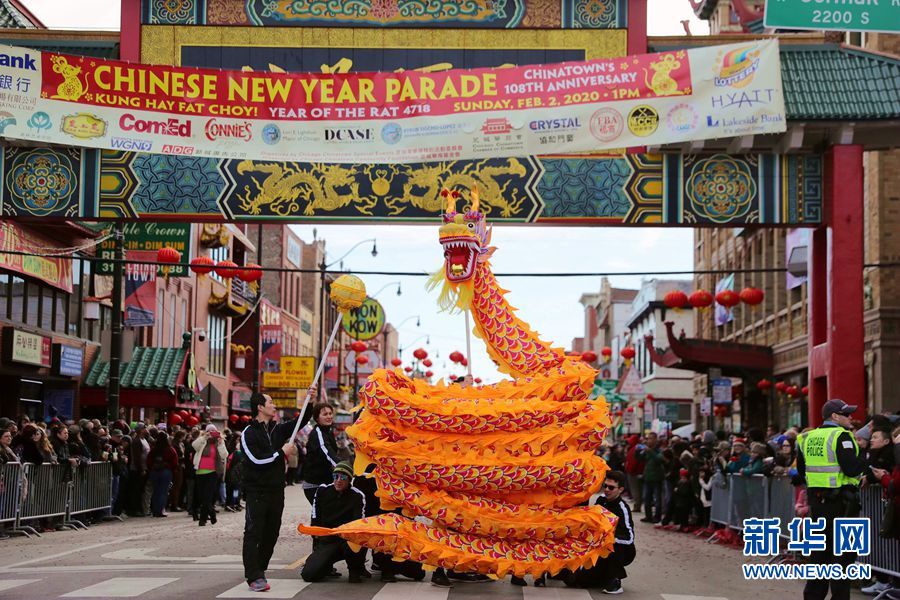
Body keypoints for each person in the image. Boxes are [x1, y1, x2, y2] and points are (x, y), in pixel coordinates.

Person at [796, 399, 868, 600]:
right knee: (843, 559)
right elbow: (852, 468)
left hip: (817, 505)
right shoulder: (841, 436)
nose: (851, 418)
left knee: (818, 556)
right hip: (842, 505)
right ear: (835, 417)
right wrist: (865, 452)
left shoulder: (806, 438)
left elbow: (802, 472)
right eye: (847, 414)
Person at [241, 392, 311, 592]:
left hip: (276, 491)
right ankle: (253, 575)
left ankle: (260, 569)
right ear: (260, 407)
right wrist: (281, 453)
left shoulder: (278, 430)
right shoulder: (249, 432)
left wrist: (309, 399)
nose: (274, 405)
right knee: (254, 532)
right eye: (270, 402)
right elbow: (256, 460)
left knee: (271, 533)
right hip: (257, 491)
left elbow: (302, 420)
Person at [565, 470, 635, 594]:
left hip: (621, 550)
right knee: (575, 581)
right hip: (598, 548)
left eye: (611, 487)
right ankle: (601, 576)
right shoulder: (601, 500)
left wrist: (606, 538)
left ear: (621, 489)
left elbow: (629, 538)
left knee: (611, 547)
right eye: (605, 486)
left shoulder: (622, 508)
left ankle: (615, 581)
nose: (606, 489)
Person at [301, 461, 368, 583]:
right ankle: (326, 566)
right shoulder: (322, 491)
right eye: (335, 476)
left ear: (349, 479)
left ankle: (355, 569)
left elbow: (359, 523)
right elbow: (315, 516)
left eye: (343, 477)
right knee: (309, 575)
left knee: (358, 540)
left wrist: (346, 534)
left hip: (348, 539)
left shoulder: (357, 495)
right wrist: (317, 537)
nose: (338, 480)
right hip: (328, 540)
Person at [301, 403, 340, 504]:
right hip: (315, 484)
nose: (329, 416)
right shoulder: (318, 433)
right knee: (323, 514)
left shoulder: (329, 431)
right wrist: (343, 467)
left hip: (326, 481)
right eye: (325, 414)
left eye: (330, 413)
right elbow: (327, 452)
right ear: (317, 418)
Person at [192, 424, 227, 526]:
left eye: (213, 431)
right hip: (200, 472)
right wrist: (204, 437)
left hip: (212, 473)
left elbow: (224, 455)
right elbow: (194, 446)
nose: (211, 433)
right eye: (209, 431)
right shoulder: (202, 441)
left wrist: (221, 443)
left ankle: (202, 519)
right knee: (202, 497)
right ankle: (212, 513)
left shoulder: (219, 442)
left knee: (207, 497)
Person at [147, 431, 178, 518]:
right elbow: (175, 461)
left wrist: (151, 468)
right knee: (163, 491)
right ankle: (160, 510)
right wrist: (171, 468)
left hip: (155, 471)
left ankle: (154, 510)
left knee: (155, 491)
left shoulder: (154, 449)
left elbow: (148, 460)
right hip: (166, 471)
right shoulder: (170, 449)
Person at [639, 433, 664, 523]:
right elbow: (639, 460)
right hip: (647, 477)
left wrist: (650, 451)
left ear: (655, 439)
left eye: (650, 438)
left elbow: (659, 459)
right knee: (646, 498)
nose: (648, 440)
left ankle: (657, 517)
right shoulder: (646, 450)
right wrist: (638, 451)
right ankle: (648, 516)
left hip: (656, 478)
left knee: (657, 499)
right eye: (648, 438)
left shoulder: (659, 450)